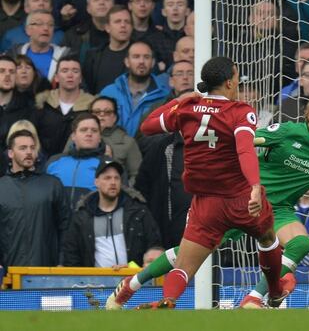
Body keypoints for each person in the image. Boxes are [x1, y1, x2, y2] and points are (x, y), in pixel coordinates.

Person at [110, 91, 309, 310]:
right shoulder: (287, 132)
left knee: (301, 243)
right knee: (187, 257)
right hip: (243, 203)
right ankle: (130, 286)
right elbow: (248, 138)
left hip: (279, 211)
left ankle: (253, 299)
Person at [115, 56, 285, 310]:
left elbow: (148, 126)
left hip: (205, 204)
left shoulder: (188, 108)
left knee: (184, 265)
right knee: (268, 238)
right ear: (229, 82)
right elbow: (245, 150)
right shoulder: (240, 112)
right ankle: (274, 292)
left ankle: (169, 299)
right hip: (239, 198)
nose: (238, 81)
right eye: (237, 76)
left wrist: (177, 101)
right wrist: (254, 186)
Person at [62, 158, 161, 267]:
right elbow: (71, 256)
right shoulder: (82, 217)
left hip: (134, 280)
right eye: (107, 178)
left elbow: (155, 246)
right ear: (96, 182)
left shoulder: (138, 212)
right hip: (95, 282)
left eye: (116, 178)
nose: (113, 182)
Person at [0, 129, 71, 267]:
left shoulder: (52, 185)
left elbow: (66, 227)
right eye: (23, 148)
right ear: (10, 153)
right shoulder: (1, 187)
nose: (29, 152)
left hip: (46, 270)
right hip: (9, 273)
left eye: (32, 148)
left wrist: (62, 262)